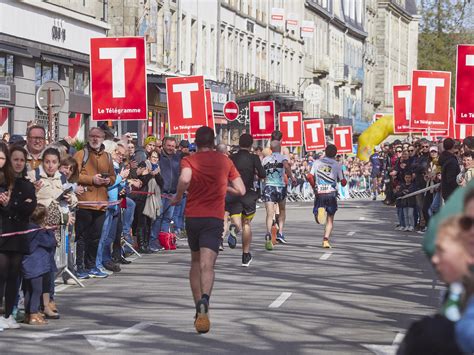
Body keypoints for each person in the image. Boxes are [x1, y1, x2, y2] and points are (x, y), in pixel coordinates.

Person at [170, 126, 245, 334]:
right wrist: (224, 186)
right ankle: (205, 300)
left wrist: (177, 196)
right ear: (213, 141)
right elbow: (241, 189)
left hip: (193, 216)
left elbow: (185, 179)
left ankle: (198, 308)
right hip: (214, 217)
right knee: (207, 264)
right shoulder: (224, 160)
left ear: (195, 141)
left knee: (195, 262)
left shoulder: (190, 160)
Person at [27, 147, 77, 318]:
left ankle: (49, 300)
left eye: (54, 162)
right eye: (47, 162)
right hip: (39, 227)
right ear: (42, 162)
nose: (50, 165)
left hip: (56, 229)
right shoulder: (34, 175)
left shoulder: (62, 177)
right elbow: (30, 199)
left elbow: (71, 196)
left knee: (50, 267)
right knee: (40, 268)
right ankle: (38, 305)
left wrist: (72, 199)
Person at [73, 127, 116, 279]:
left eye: (98, 136)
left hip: (101, 203)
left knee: (96, 236)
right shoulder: (81, 154)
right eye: (92, 136)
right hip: (84, 202)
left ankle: (91, 266)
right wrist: (92, 179)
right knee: (82, 236)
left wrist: (106, 180)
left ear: (103, 138)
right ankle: (80, 267)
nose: (95, 139)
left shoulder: (108, 157)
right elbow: (74, 174)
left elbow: (113, 177)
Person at [0, 143, 31, 330]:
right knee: (1, 274)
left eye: (22, 160)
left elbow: (28, 207)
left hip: (18, 234)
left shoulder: (22, 183)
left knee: (14, 275)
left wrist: (11, 205)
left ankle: (9, 314)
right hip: (3, 234)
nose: (18, 163)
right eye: (14, 159)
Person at [225, 134, 265, 267]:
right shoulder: (254, 158)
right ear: (251, 145)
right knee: (247, 224)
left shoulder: (232, 158)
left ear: (239, 143)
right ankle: (245, 255)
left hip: (234, 194)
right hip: (248, 194)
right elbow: (262, 174)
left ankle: (234, 228)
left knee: (237, 222)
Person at [21, 204, 57, 326]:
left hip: (26, 264)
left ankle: (27, 313)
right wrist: (49, 232)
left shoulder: (26, 229)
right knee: (37, 290)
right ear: (42, 218)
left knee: (27, 290)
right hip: (37, 265)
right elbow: (51, 243)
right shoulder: (39, 232)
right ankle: (33, 313)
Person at [307, 144, 346, 249]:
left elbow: (309, 176)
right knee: (330, 218)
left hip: (319, 192)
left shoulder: (317, 162)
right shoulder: (337, 165)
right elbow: (343, 182)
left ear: (325, 151)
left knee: (319, 216)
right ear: (335, 153)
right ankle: (325, 240)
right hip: (331, 193)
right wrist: (342, 180)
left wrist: (314, 186)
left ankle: (318, 212)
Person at [261, 140, 296, 250]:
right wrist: (292, 177)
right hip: (280, 187)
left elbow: (261, 172)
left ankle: (268, 233)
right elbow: (286, 166)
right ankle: (280, 232)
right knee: (282, 210)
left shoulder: (265, 159)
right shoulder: (282, 158)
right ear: (280, 148)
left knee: (269, 213)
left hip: (269, 187)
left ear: (270, 149)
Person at [150, 137, 181, 251]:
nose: (171, 148)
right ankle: (153, 241)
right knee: (158, 218)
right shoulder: (159, 158)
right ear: (163, 145)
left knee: (167, 218)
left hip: (172, 192)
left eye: (173, 146)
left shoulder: (177, 158)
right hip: (161, 192)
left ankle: (163, 241)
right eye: (168, 145)